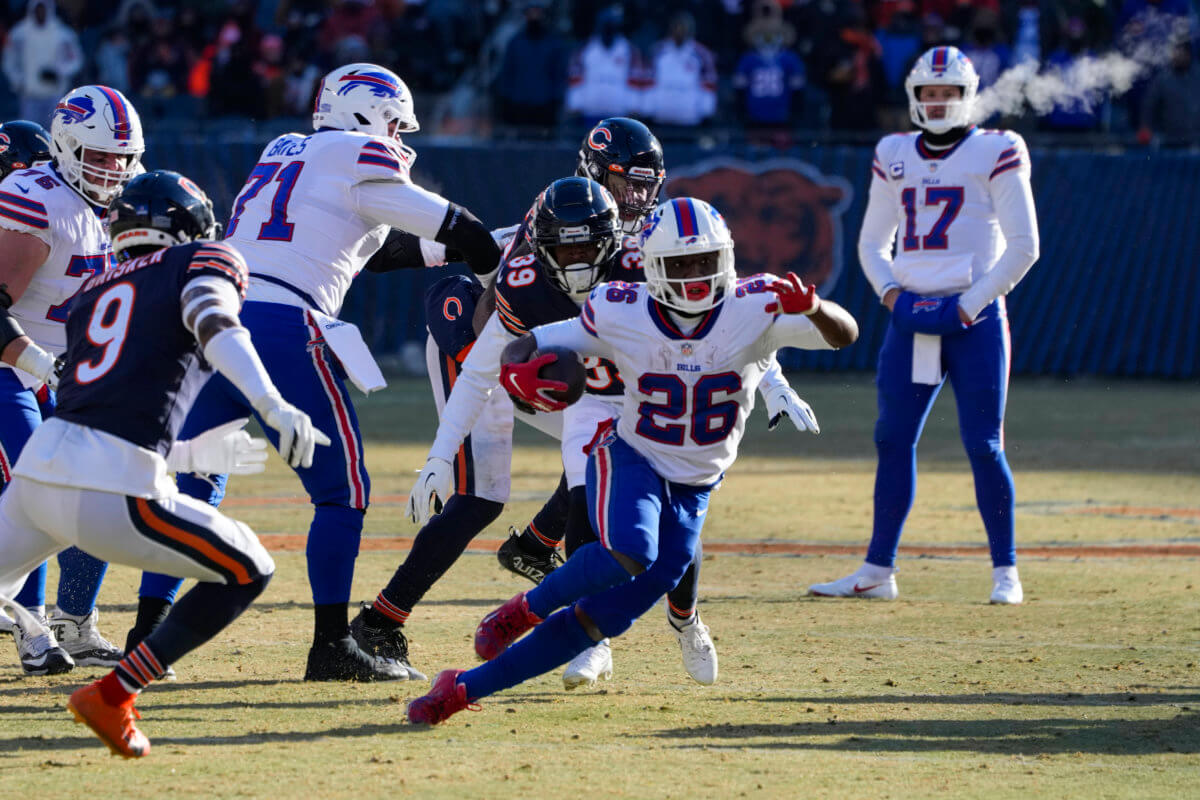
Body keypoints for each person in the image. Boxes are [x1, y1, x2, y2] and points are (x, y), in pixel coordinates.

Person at [405, 196, 859, 724]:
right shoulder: (622, 308)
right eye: (680, 265)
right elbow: (526, 343)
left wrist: (816, 309)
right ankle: (522, 610)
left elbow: (845, 334)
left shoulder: (753, 305)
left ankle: (460, 690)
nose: (693, 277)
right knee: (632, 548)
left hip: (695, 488)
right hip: (631, 455)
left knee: (599, 621)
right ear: (651, 267)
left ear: (727, 260)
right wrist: (521, 371)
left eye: (704, 262)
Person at [130, 63, 505, 682]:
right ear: (367, 115)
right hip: (285, 327)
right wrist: (495, 280)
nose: (400, 138)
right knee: (344, 492)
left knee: (196, 478)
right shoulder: (358, 155)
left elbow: (370, 248)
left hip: (220, 323)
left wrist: (461, 245)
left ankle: (146, 635)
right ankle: (331, 645)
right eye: (395, 124)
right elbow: (457, 225)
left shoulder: (287, 152)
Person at [0, 169, 328, 758]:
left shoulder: (89, 293)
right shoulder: (203, 259)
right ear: (192, 228)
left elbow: (102, 407)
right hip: (109, 490)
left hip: (37, 478)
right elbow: (216, 323)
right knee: (250, 567)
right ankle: (115, 693)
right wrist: (272, 404)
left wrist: (189, 453)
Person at [806, 46, 1039, 605]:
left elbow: (1026, 247)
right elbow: (870, 243)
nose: (938, 102)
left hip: (974, 318)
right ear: (914, 96)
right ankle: (877, 569)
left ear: (968, 96)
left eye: (949, 93)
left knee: (983, 444)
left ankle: (1005, 570)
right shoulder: (893, 152)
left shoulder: (998, 148)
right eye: (930, 93)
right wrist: (890, 294)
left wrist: (968, 304)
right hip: (911, 320)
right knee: (891, 438)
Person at [0, 92, 145, 676]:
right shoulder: (35, 199)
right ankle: (31, 629)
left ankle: (75, 624)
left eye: (120, 158)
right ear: (63, 144)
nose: (110, 169)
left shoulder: (111, 209)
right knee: (38, 491)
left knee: (104, 492)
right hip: (12, 367)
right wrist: (39, 366)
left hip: (68, 374)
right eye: (98, 156)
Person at [1, 0, 83, 126]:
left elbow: (76, 59)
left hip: (55, 93)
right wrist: (18, 80)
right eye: (37, 9)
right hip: (29, 94)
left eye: (43, 9)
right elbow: (9, 60)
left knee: (54, 130)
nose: (40, 13)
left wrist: (60, 71)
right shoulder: (19, 34)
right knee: (29, 130)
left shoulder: (63, 34)